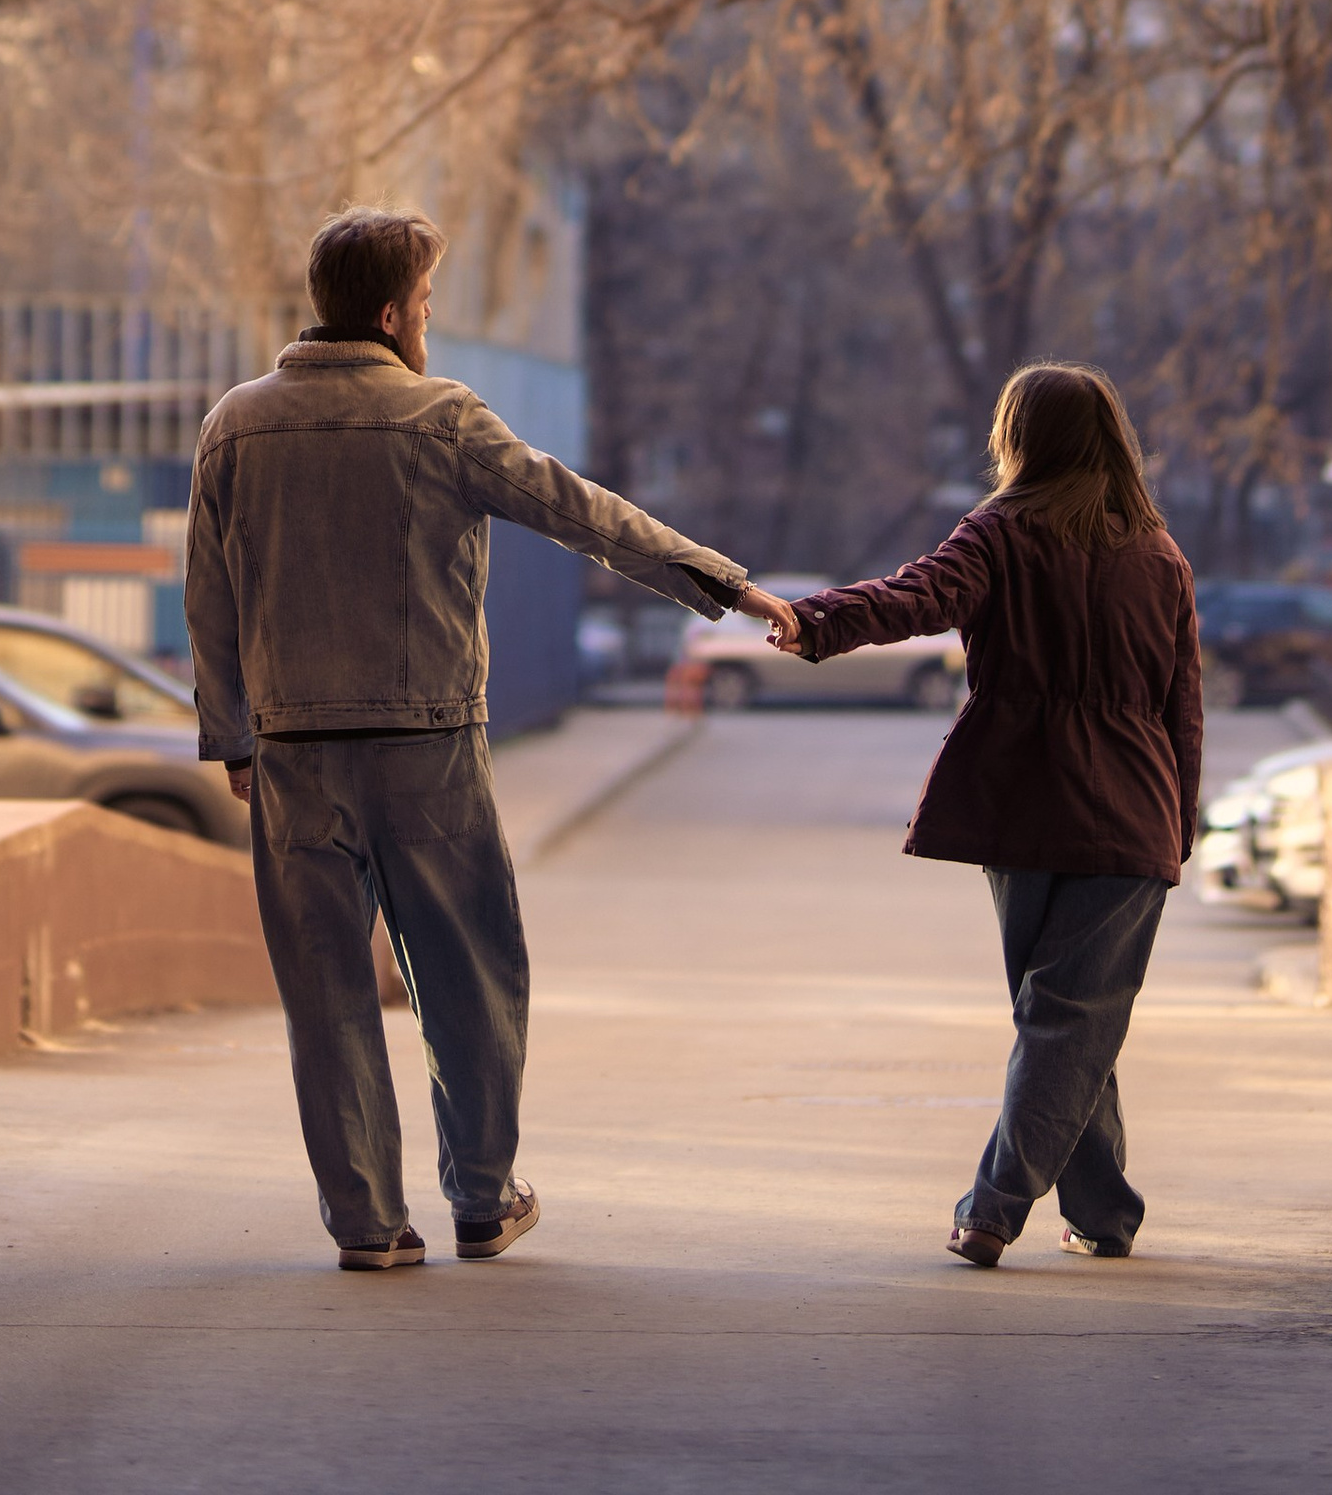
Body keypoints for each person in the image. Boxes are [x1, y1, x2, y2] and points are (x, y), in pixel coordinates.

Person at [186, 205, 795, 1274]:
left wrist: (231, 734)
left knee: (326, 995)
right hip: (427, 752)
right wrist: (723, 582)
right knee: (468, 977)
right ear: (386, 313)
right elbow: (582, 511)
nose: (430, 318)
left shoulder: (234, 423)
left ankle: (369, 1225)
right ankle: (479, 1197)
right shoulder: (440, 417)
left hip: (292, 751)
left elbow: (209, 596)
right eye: (424, 302)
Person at [765, 358, 1201, 1268]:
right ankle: (1103, 1211)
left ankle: (995, 1208)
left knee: (1064, 1015)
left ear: (1020, 439)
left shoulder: (1002, 531)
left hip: (1024, 805)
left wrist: (819, 621)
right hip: (1129, 812)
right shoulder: (1158, 555)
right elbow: (1180, 707)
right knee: (1070, 1018)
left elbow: (913, 595)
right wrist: (1179, 823)